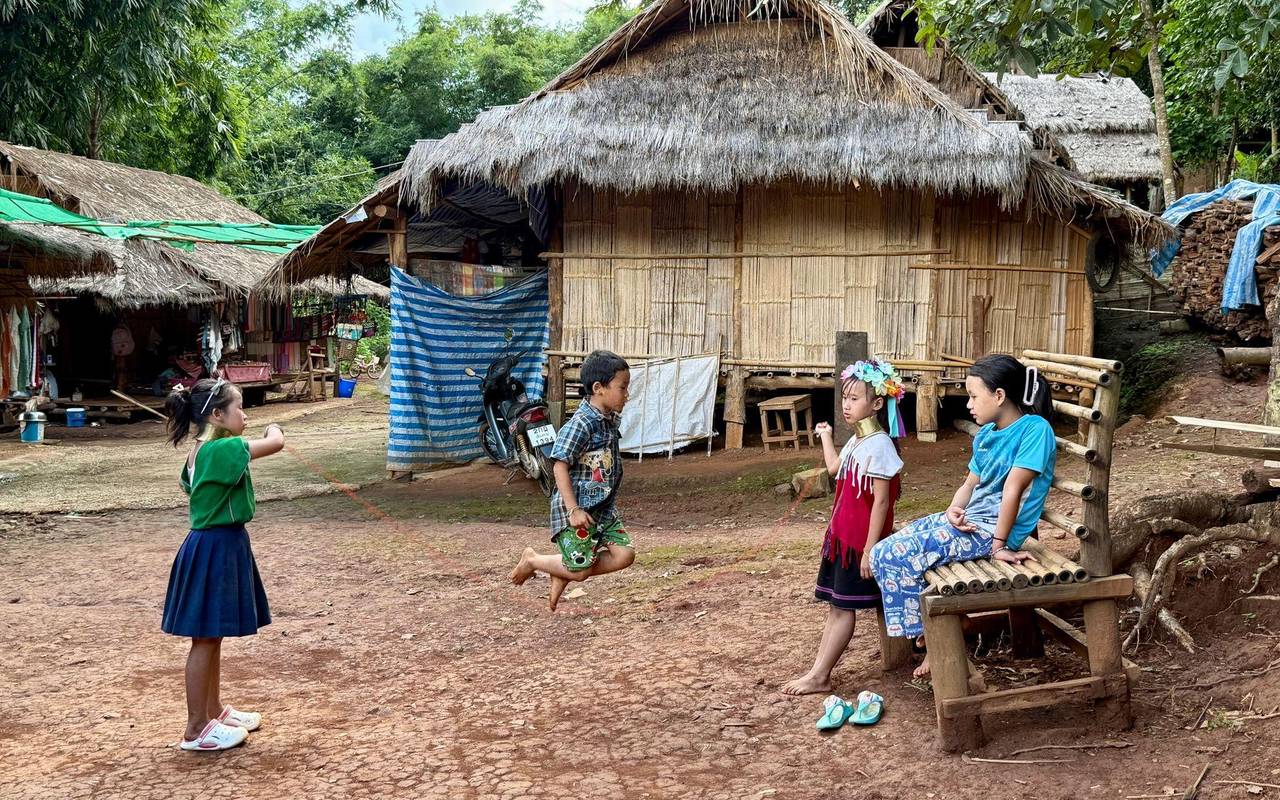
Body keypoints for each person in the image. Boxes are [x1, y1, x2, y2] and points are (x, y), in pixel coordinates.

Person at [870, 354, 1054, 678]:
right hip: (969, 523)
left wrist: (999, 545)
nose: (968, 404)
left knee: (892, 554)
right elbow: (970, 483)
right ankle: (943, 630)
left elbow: (1013, 490)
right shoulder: (985, 435)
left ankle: (933, 641)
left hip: (989, 534)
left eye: (973, 395)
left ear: (999, 396)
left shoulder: (1034, 431)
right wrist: (955, 510)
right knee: (884, 549)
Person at [161, 377, 285, 751]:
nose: (244, 415)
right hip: (214, 546)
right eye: (239, 408)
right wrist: (274, 427)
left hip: (215, 544)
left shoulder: (200, 450)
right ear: (217, 415)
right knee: (204, 638)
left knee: (210, 634)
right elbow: (275, 442)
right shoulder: (223, 449)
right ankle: (196, 728)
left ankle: (212, 712)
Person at [783, 360, 905, 696]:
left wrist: (869, 550)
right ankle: (818, 672)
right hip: (842, 539)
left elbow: (882, 503)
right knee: (837, 607)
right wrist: (825, 436)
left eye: (854, 399)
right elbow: (836, 469)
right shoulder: (858, 440)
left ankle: (820, 675)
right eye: (844, 398)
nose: (846, 405)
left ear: (878, 403)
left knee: (842, 608)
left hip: (858, 545)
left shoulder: (879, 446)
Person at [510, 350, 635, 611]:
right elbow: (559, 466)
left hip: (602, 510)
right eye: (622, 387)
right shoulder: (581, 424)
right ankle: (534, 560)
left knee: (625, 555)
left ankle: (564, 570)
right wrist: (573, 509)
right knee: (579, 572)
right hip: (577, 510)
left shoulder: (608, 421)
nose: (626, 394)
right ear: (599, 388)